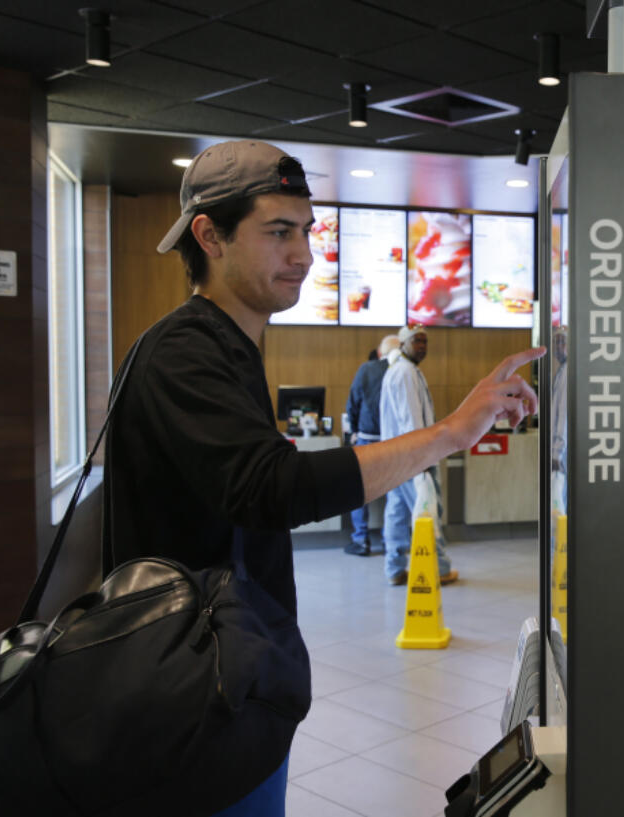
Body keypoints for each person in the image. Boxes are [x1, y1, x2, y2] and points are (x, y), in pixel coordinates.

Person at [102, 140, 541, 815]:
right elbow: (273, 488)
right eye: (279, 232)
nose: (305, 254)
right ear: (208, 235)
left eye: (307, 231)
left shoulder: (230, 348)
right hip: (193, 705)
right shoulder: (184, 351)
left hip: (234, 683)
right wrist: (451, 432)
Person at [379, 325, 457, 586]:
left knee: (398, 513)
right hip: (413, 459)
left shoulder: (403, 370)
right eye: (417, 342)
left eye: (425, 342)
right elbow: (411, 419)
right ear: (403, 344)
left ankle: (395, 568)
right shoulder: (404, 372)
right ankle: (440, 569)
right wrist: (421, 460)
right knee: (427, 512)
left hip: (397, 458)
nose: (422, 347)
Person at [343, 334, 401, 556]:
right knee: (393, 495)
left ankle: (361, 540)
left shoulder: (366, 369)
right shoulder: (403, 371)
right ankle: (391, 541)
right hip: (393, 440)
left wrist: (355, 431)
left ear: (379, 353)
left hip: (367, 437)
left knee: (360, 491)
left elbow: (353, 402)